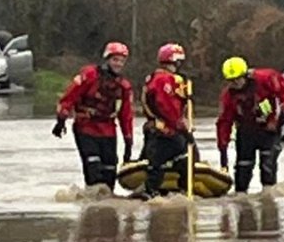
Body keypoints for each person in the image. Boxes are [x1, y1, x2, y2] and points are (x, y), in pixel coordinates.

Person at [52, 42, 134, 190]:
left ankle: (106, 205)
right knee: (93, 167)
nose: (118, 64)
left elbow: (126, 114)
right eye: (115, 60)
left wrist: (128, 140)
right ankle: (92, 204)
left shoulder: (123, 86)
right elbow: (70, 96)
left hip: (108, 130)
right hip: (86, 127)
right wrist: (61, 119)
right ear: (107, 59)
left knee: (109, 172)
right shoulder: (90, 75)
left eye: (122, 61)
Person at [215, 56, 284, 192]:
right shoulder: (228, 96)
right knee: (243, 170)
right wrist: (223, 149)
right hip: (246, 132)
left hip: (268, 130)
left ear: (245, 75)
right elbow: (224, 122)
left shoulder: (265, 79)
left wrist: (282, 115)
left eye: (237, 79)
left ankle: (269, 200)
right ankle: (242, 200)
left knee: (267, 166)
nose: (235, 83)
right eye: (231, 81)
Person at [136, 42, 193, 200]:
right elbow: (169, 108)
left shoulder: (155, 78)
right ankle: (156, 193)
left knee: (179, 163)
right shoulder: (165, 81)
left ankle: (165, 192)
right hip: (166, 133)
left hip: (160, 131)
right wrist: (182, 128)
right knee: (161, 167)